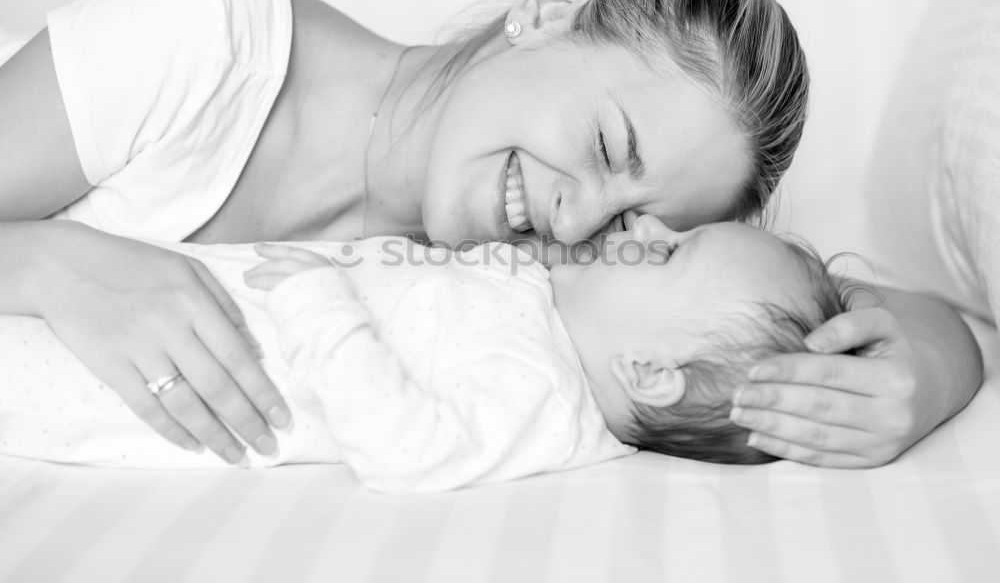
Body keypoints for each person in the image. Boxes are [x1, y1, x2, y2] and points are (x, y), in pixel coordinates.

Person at [0, 0, 981, 469]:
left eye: (625, 225)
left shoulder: (521, 272)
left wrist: (925, 376)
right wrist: (51, 261)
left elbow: (859, 307)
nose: (569, 221)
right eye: (605, 149)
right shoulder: (195, 45)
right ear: (548, 12)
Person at [0, 216, 848, 493]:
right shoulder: (542, 298)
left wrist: (320, 307)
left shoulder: (538, 392)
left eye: (669, 253)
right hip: (148, 295)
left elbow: (407, 449)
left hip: (148, 381)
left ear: (650, 373)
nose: (647, 226)